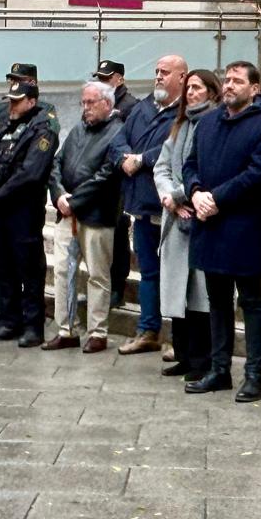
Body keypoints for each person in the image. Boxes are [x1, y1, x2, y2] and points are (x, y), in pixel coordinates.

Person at [182, 60, 261, 401]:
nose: (228, 85)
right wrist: (195, 192)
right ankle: (219, 369)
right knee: (217, 300)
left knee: (251, 301)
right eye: (226, 79)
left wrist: (216, 197)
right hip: (208, 222)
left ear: (254, 88)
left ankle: (254, 375)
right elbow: (190, 163)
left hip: (243, 226)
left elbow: (260, 172)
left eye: (237, 81)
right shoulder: (208, 122)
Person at [114, 54, 187, 354]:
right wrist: (123, 157)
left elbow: (176, 149)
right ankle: (148, 330)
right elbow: (118, 139)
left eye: (165, 72)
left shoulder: (186, 112)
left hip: (170, 207)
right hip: (141, 205)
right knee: (148, 273)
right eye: (156, 71)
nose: (158, 76)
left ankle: (178, 338)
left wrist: (141, 159)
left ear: (182, 77)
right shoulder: (142, 107)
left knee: (177, 276)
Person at [0, 80, 58, 347]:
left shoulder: (42, 131)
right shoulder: (3, 129)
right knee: (1, 268)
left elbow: (31, 173)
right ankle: (7, 320)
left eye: (17, 101)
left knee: (29, 270)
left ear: (31, 102)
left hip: (23, 210)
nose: (11, 105)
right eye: (10, 100)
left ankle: (33, 326)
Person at [154, 68, 221, 382]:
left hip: (199, 216)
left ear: (211, 90)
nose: (191, 93)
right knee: (177, 293)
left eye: (197, 87)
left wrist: (183, 197)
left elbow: (208, 168)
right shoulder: (178, 126)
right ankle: (182, 354)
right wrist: (170, 197)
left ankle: (202, 360)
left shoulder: (214, 123)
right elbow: (162, 167)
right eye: (189, 88)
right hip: (175, 217)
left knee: (199, 296)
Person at [47, 81, 124, 352]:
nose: (86, 108)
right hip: (67, 213)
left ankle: (97, 332)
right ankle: (67, 328)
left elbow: (106, 175)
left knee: (98, 275)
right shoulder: (78, 129)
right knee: (62, 272)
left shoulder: (118, 132)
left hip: (96, 215)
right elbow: (56, 163)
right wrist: (58, 195)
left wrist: (75, 201)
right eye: (83, 102)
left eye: (91, 103)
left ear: (107, 103)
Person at [94, 58, 138, 316]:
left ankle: (117, 288)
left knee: (119, 233)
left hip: (120, 179)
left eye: (106, 77)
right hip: (101, 178)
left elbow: (130, 141)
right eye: (99, 78)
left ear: (119, 78)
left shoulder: (130, 106)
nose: (102, 82)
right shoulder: (99, 103)